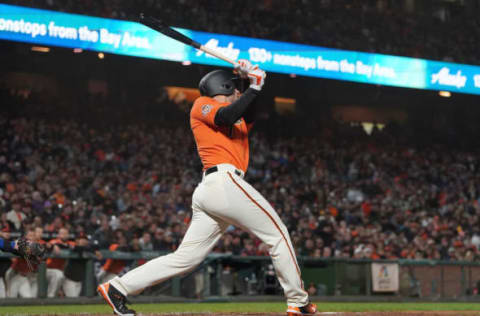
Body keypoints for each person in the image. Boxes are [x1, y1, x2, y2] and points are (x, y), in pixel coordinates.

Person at [98, 60, 317, 316]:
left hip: (216, 190)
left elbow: (248, 112)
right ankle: (298, 301)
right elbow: (226, 114)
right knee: (278, 235)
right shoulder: (203, 104)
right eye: (234, 87)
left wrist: (250, 81)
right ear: (221, 87)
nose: (237, 91)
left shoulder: (237, 117)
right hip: (223, 182)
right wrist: (253, 87)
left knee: (185, 258)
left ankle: (117, 288)